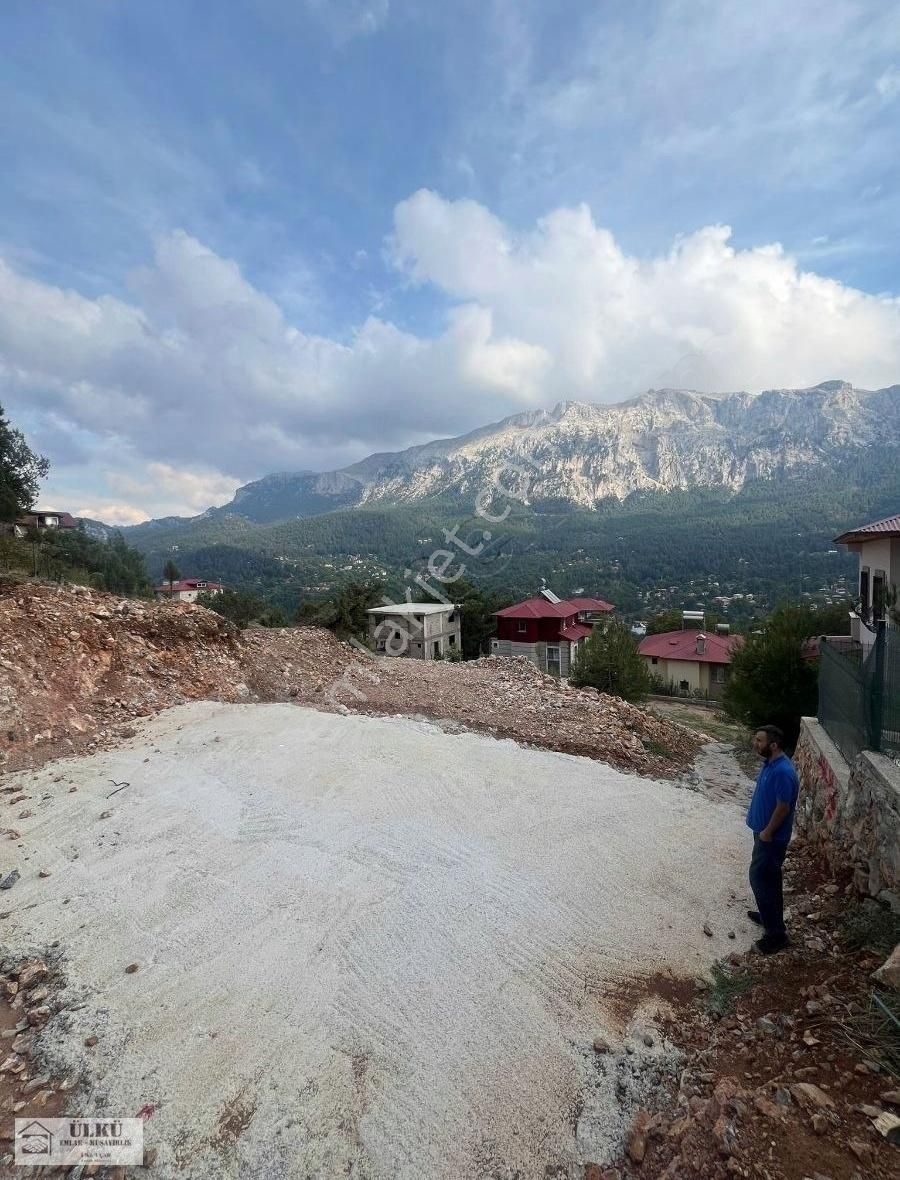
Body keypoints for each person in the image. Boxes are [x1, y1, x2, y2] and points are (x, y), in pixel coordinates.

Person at [745, 724, 799, 954]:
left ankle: (776, 935)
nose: (755, 744)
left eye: (759, 740)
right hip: (763, 833)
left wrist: (767, 832)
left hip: (771, 838)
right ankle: (769, 918)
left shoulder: (783, 772)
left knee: (759, 877)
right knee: (770, 878)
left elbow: (783, 807)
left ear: (773, 745)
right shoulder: (770, 764)